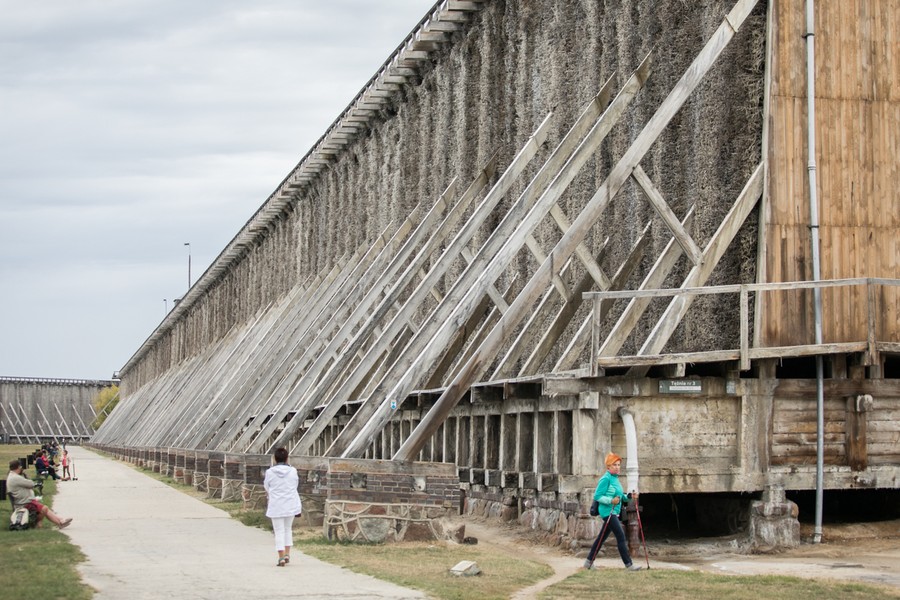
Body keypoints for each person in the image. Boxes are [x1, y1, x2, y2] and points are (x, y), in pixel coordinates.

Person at [583, 452, 641, 571]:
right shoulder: (605, 479)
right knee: (621, 536)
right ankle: (629, 565)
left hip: (614, 512)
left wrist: (630, 496)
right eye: (614, 465)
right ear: (608, 467)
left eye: (619, 465)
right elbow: (598, 496)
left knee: (601, 538)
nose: (617, 467)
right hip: (607, 512)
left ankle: (588, 562)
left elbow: (620, 497)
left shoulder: (615, 479)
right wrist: (611, 501)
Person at [263, 447, 302, 567]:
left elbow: (266, 486)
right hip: (290, 503)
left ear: (274, 459)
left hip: (276, 504)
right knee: (287, 529)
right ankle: (287, 554)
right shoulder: (293, 471)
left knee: (278, 531)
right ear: (287, 458)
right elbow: (295, 485)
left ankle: (281, 557)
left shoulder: (270, 472)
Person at [6, 459, 72, 529]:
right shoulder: (15, 478)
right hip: (24, 503)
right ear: (19, 467)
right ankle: (50, 522)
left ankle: (60, 520)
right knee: (44, 508)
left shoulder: (12, 476)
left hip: (23, 501)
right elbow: (31, 484)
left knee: (44, 508)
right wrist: (25, 475)